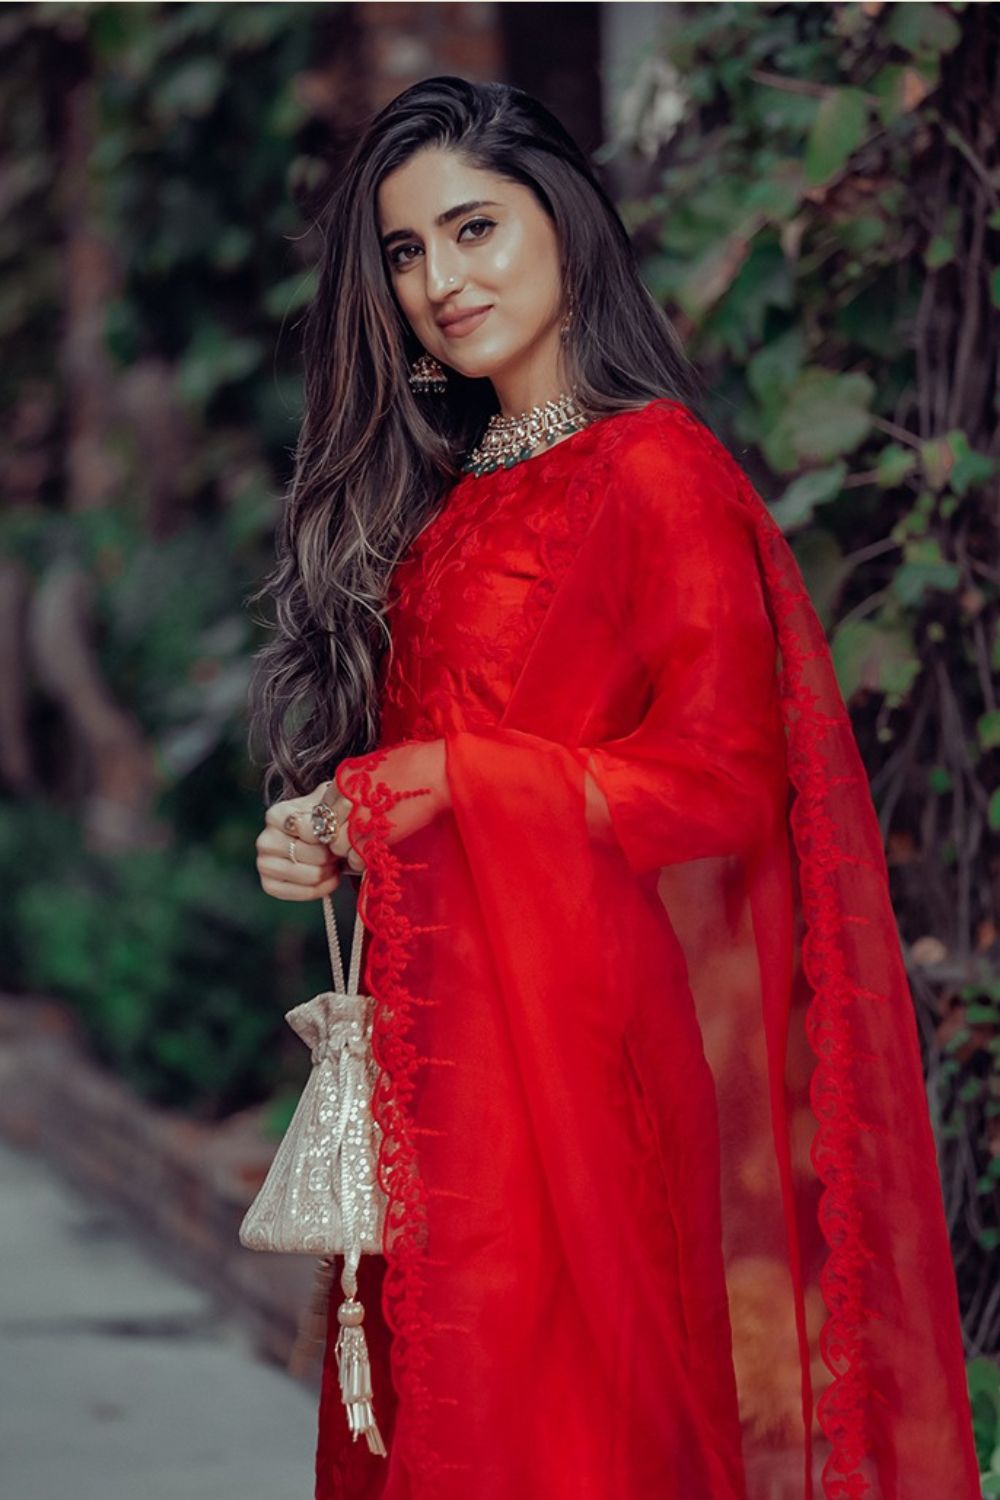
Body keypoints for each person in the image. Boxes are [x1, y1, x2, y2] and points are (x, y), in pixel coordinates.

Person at [248, 76, 980, 1500]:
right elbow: (457, 757)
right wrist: (343, 820)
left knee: (557, 1444)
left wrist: (452, 777)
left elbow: (716, 781)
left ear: (564, 221)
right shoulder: (457, 502)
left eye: (473, 228)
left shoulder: (661, 473)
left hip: (578, 1064)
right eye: (405, 252)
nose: (441, 280)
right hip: (442, 1059)